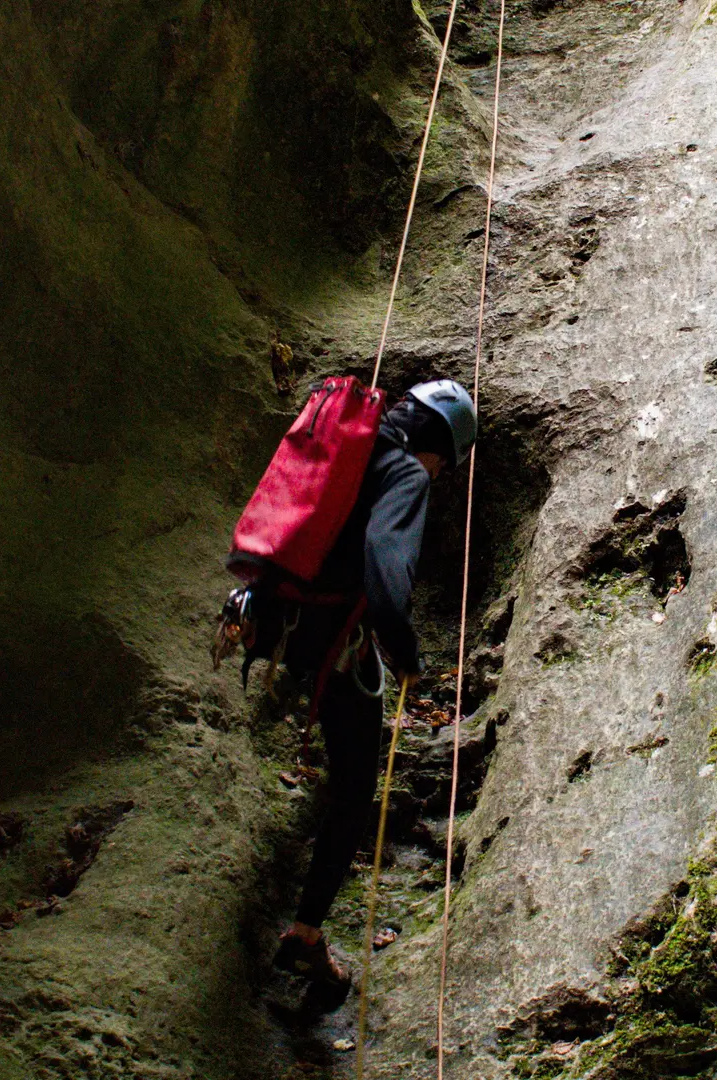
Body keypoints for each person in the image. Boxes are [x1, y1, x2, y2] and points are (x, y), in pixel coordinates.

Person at [231, 379, 476, 1003]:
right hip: (327, 639)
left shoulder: (349, 445)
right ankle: (307, 933)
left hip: (269, 614)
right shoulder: (407, 473)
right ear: (435, 444)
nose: (437, 475)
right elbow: (387, 579)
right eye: (444, 464)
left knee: (342, 748)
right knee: (355, 788)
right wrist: (408, 658)